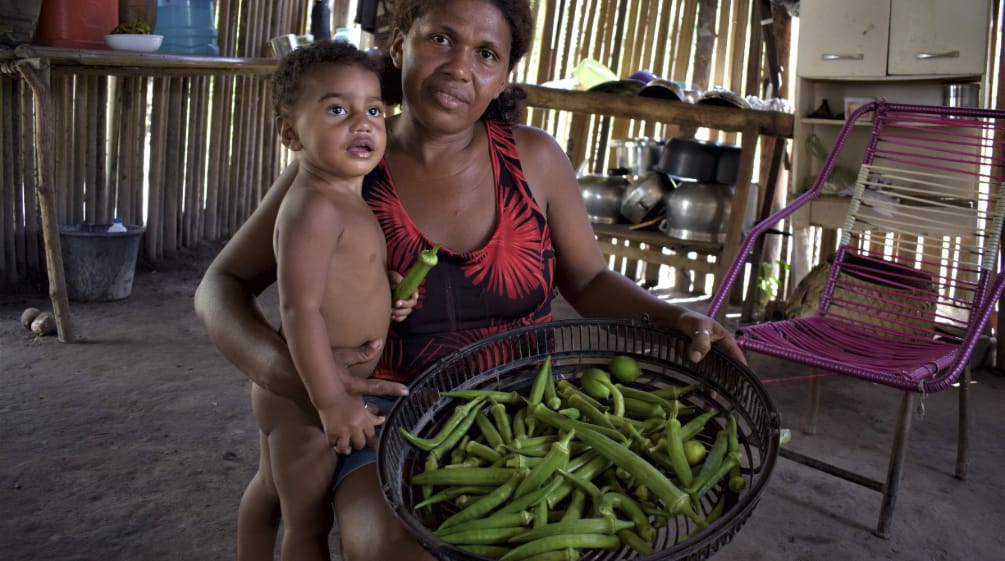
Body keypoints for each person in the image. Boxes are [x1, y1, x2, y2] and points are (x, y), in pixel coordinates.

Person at [194, 1, 745, 559]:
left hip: (530, 415)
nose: (460, 67)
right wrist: (287, 375)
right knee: (389, 547)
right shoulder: (344, 168)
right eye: (441, 39)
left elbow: (592, 278)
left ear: (503, 75)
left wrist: (679, 317)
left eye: (486, 54)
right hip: (391, 423)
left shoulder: (535, 160)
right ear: (399, 44)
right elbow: (221, 286)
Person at [242, 40, 394, 561]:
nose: (363, 123)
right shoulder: (313, 207)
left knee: (270, 489)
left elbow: (348, 279)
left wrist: (390, 295)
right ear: (290, 133)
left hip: (313, 389)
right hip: (307, 395)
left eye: (374, 109)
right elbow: (298, 309)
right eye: (337, 109)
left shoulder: (346, 194)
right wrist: (330, 401)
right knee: (307, 522)